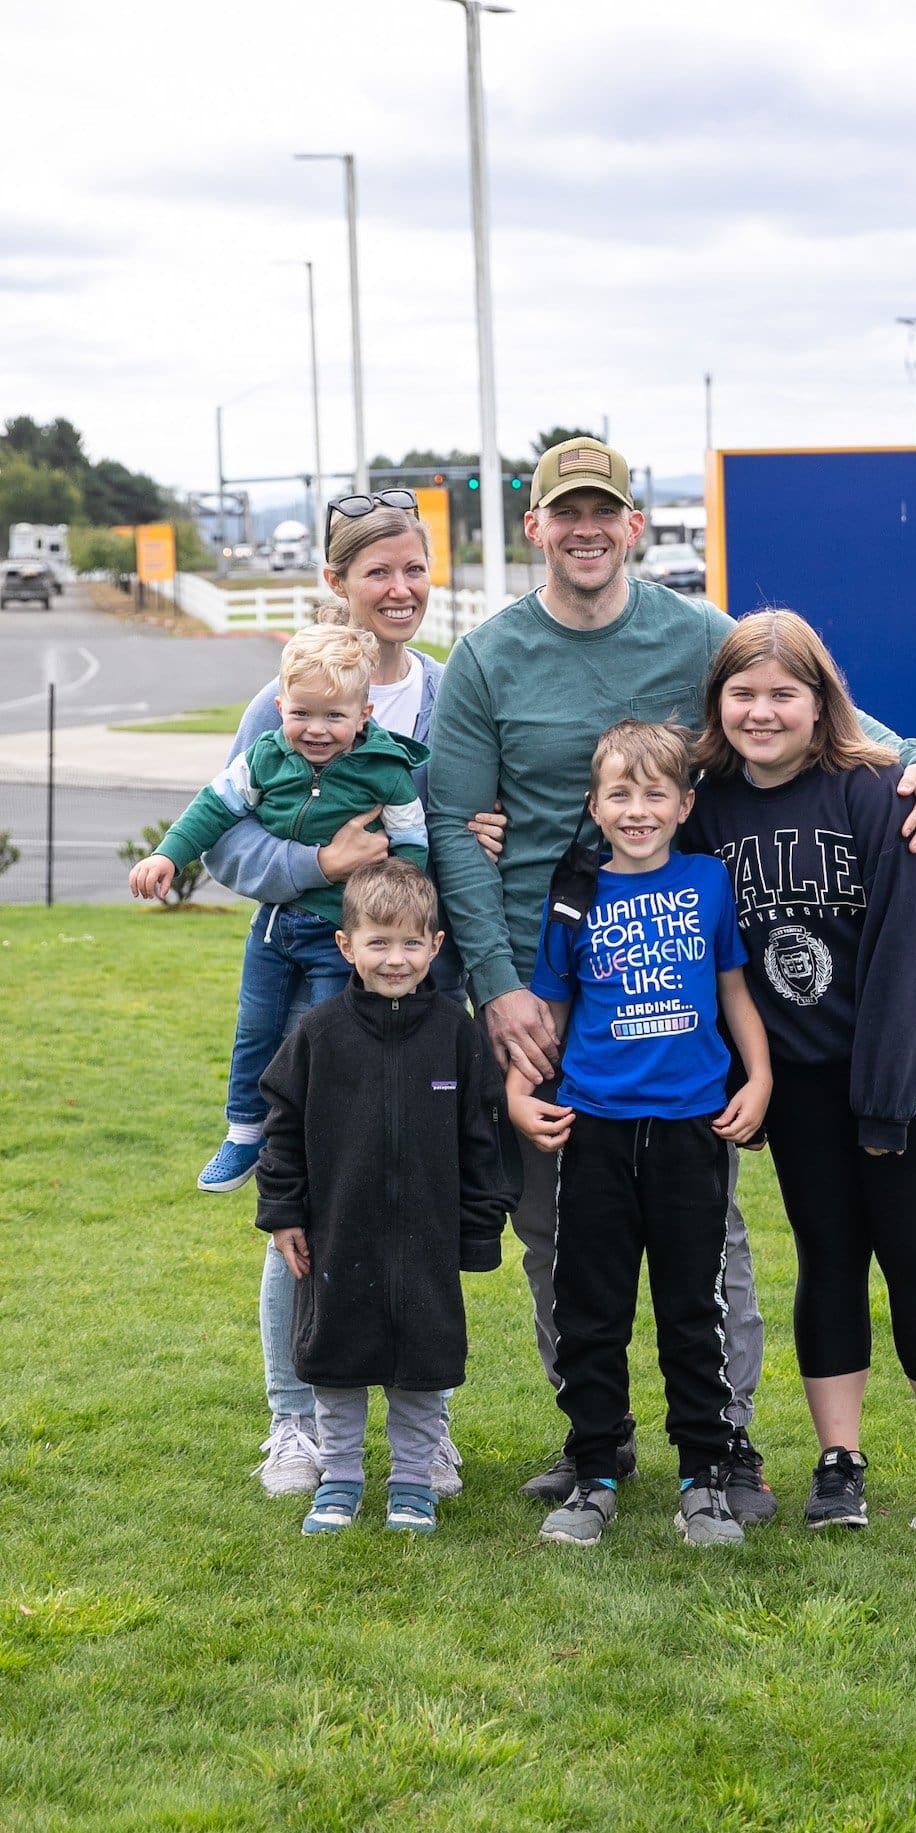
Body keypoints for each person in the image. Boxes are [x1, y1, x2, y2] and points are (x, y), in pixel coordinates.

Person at [425, 434, 916, 1519]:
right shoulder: (489, 658)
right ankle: (596, 1445)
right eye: (562, 513)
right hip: (550, 982)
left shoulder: (690, 635)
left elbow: (808, 700)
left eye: (602, 512)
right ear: (534, 527)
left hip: (681, 972)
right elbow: (449, 823)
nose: (583, 531)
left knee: (708, 1235)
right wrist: (499, 990)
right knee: (560, 1235)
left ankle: (730, 1447)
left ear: (631, 526)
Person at [201, 494, 506, 1502]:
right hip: (316, 988)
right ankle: (297, 1422)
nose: (400, 588)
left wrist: (487, 834)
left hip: (434, 988)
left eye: (415, 568)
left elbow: (475, 812)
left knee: (419, 1192)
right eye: (377, 571)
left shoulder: (455, 689)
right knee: (307, 1205)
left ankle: (430, 1427)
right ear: (337, 583)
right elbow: (228, 842)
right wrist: (316, 859)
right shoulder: (287, 697)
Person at [687, 610, 916, 1534]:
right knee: (828, 1256)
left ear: (822, 705)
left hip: (910, 1058)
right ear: (718, 704)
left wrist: (887, 1107)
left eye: (784, 693)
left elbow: (907, 955)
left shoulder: (884, 790)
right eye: (744, 693)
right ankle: (840, 1461)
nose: (762, 711)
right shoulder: (707, 805)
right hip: (803, 1069)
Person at [508, 721, 772, 1547]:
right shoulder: (575, 892)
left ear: (684, 803)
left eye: (655, 792)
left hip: (692, 1128)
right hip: (595, 1128)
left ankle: (703, 1477)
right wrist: (520, 1089)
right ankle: (594, 1475)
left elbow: (733, 989)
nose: (637, 808)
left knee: (692, 1307)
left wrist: (758, 1078)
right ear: (595, 804)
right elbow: (551, 1007)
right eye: (619, 793)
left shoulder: (707, 881)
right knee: (590, 1308)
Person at [255, 860, 513, 1536]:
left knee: (423, 1365)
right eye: (378, 942)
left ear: (435, 945)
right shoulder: (318, 1034)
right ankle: (338, 1479)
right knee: (335, 1362)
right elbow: (279, 1127)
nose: (395, 958)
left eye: (410, 943)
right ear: (347, 946)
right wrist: (282, 1211)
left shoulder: (457, 1034)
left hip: (427, 1237)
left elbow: (482, 1135)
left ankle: (412, 1482)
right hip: (339, 1235)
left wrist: (479, 1230)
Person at [129, 621, 429, 1179]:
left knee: (328, 1035)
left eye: (334, 716)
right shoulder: (266, 757)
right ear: (279, 706)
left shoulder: (387, 772)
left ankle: (317, 1140)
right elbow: (212, 809)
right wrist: (168, 855)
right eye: (301, 714)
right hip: (274, 926)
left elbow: (412, 845)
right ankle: (243, 1132)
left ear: (364, 714)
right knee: (255, 1028)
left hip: (339, 935)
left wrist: (396, 906)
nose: (316, 730)